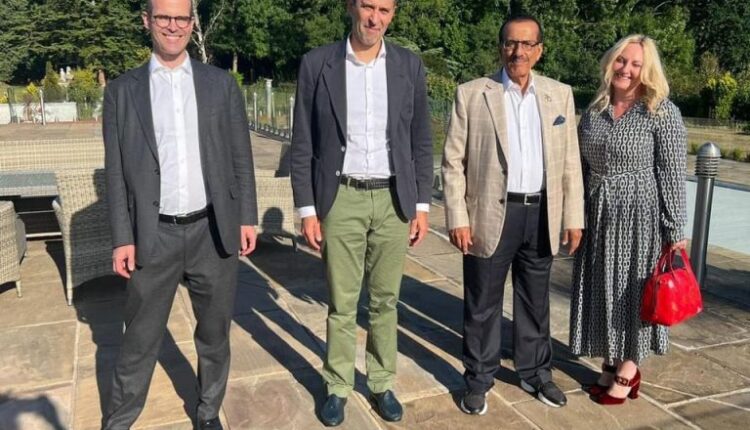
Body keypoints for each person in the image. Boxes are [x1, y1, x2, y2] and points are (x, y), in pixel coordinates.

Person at [101, 0, 258, 428]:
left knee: (214, 334)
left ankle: (208, 414)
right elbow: (115, 171)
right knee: (139, 339)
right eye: (163, 17)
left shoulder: (220, 85)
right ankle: (119, 420)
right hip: (154, 235)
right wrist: (122, 237)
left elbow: (240, 156)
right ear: (147, 20)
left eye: (181, 17)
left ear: (192, 22)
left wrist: (246, 216)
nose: (173, 26)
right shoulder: (122, 92)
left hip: (213, 231)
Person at [290, 0, 432, 425]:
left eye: (384, 10)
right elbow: (303, 142)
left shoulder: (409, 65)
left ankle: (381, 382)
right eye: (368, 6)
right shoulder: (318, 64)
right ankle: (337, 385)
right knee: (342, 301)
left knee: (386, 300)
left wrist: (421, 205)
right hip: (341, 198)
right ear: (352, 6)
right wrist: (308, 208)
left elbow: (421, 139)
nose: (375, 18)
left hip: (393, 199)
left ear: (393, 14)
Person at [442, 14, 584, 414]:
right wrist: (457, 216)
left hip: (541, 214)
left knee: (535, 302)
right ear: (500, 47)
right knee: (482, 303)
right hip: (489, 215)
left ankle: (535, 373)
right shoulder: (472, 94)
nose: (517, 51)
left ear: (539, 50)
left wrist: (573, 217)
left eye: (526, 44)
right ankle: (478, 378)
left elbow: (569, 162)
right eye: (510, 43)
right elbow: (453, 162)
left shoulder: (559, 94)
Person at [569, 34, 687, 405]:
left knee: (633, 293)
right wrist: (574, 214)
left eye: (636, 64)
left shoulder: (661, 112)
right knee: (602, 287)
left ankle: (629, 368)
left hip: (640, 218)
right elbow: (580, 167)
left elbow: (672, 174)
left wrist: (675, 229)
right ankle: (610, 359)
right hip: (598, 213)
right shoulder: (595, 110)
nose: (627, 69)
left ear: (647, 70)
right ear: (610, 62)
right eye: (622, 60)